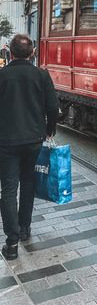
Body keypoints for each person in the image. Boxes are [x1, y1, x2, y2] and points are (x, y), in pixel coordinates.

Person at [0, 34, 58, 261]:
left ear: (10, 53)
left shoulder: (2, 75)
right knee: (28, 182)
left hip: (5, 141)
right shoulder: (41, 75)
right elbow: (52, 107)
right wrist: (49, 129)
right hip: (34, 140)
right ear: (32, 52)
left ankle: (11, 242)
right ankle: (25, 229)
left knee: (8, 188)